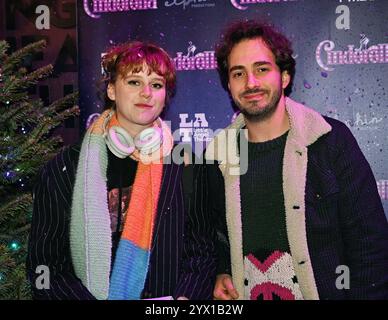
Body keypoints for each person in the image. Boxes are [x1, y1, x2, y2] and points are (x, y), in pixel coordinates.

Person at [206, 20, 388, 300]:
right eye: (238, 73)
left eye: (262, 69)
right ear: (228, 85)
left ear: (285, 76)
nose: (251, 82)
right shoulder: (217, 156)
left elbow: (370, 245)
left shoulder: (329, 141)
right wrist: (221, 271)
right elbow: (216, 238)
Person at [27, 41, 216, 300]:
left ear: (165, 97)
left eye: (157, 85)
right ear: (112, 90)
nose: (146, 93)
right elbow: (45, 265)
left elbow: (202, 252)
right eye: (134, 82)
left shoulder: (187, 165)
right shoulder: (64, 169)